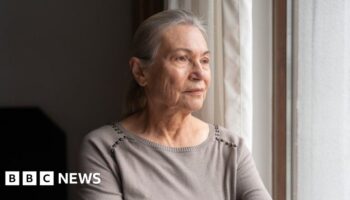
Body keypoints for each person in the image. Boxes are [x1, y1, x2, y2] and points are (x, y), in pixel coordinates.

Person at [78, 9, 272, 200]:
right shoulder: (104, 148)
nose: (200, 73)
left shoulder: (231, 149)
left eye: (204, 60)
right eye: (182, 58)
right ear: (140, 72)